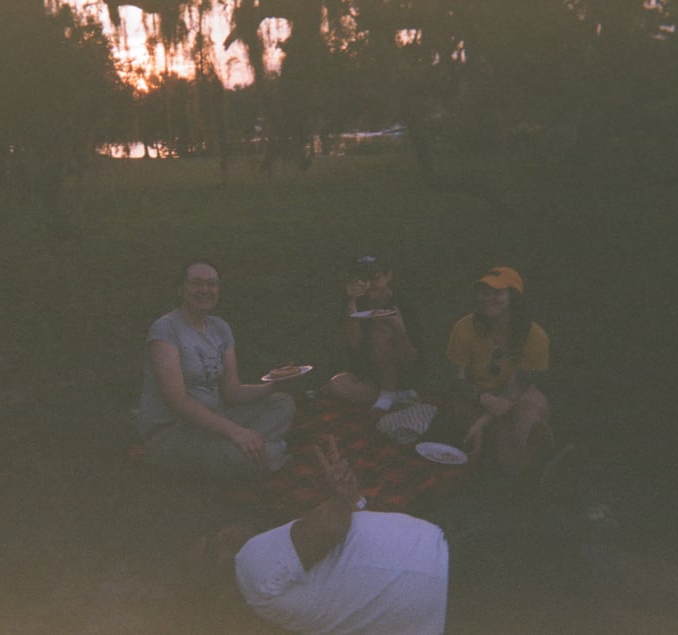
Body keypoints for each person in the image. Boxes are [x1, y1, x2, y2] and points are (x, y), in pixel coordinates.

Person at [186, 436, 450, 634]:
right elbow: (330, 527)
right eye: (212, 552)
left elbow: (348, 559)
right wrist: (337, 496)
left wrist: (351, 499)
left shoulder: (268, 596)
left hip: (426, 598)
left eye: (212, 534)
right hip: (434, 565)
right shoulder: (250, 564)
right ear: (221, 591)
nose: (222, 537)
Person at [135, 259, 296, 478]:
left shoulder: (220, 328)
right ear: (181, 289)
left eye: (212, 284)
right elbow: (177, 401)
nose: (205, 290)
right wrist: (234, 431)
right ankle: (262, 450)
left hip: (216, 420)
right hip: (174, 430)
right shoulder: (165, 329)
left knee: (282, 403)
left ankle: (250, 448)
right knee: (249, 456)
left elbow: (231, 391)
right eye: (196, 283)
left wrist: (273, 387)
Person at [445, 266, 554, 479]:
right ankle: (530, 471)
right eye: (483, 292)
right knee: (503, 432)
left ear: (513, 297)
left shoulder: (535, 335)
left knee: (532, 406)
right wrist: (482, 398)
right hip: (475, 395)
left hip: (514, 397)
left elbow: (518, 386)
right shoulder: (464, 328)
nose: (488, 299)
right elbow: (454, 379)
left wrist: (482, 422)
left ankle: (532, 459)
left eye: (497, 293)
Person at [324, 255, 423, 417]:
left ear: (388, 276)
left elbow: (412, 360)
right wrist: (351, 301)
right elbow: (354, 343)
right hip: (372, 376)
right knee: (337, 385)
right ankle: (395, 398)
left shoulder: (402, 302)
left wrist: (399, 329)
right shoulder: (358, 302)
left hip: (402, 373)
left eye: (375, 278)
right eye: (362, 280)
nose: (368, 286)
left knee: (378, 332)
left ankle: (390, 394)